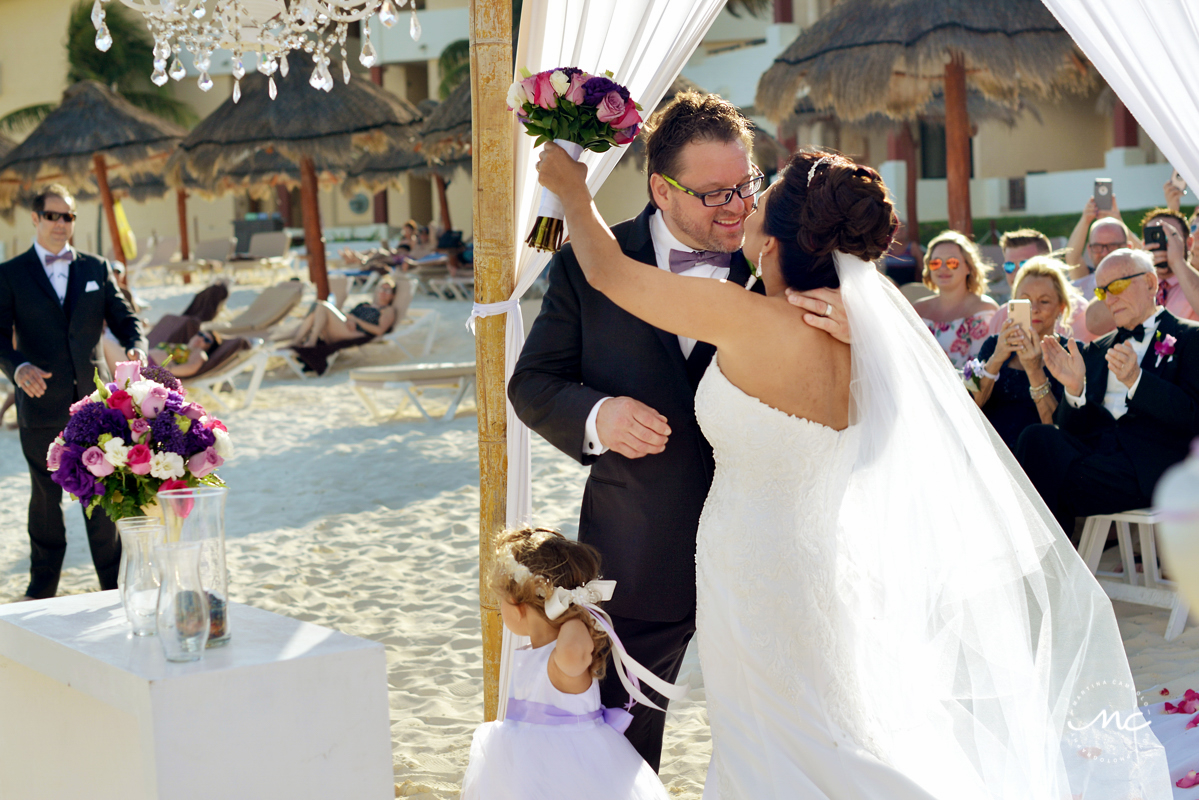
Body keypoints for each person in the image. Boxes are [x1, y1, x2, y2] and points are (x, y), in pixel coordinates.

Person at [536, 143, 1172, 799]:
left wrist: (570, 189)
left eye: (761, 198)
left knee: (778, 744)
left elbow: (609, 273)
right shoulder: (865, 343)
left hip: (752, 571)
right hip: (820, 566)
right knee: (826, 732)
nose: (746, 205)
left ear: (776, 242)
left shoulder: (748, 319)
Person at [508, 91, 846, 772]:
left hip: (764, 558)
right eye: (714, 193)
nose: (737, 208)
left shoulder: (787, 264)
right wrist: (598, 416)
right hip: (635, 554)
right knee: (617, 750)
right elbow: (532, 383)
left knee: (785, 743)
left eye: (745, 185)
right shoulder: (585, 261)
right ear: (661, 189)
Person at [0, 184, 147, 601]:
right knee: (46, 500)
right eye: (53, 216)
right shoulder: (9, 273)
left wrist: (137, 344)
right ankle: (41, 590)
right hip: (40, 403)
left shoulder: (96, 268)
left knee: (102, 498)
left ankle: (114, 587)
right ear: (35, 218)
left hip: (95, 407)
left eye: (68, 217)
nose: (61, 225)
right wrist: (17, 367)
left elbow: (125, 318)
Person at [461, 527, 672, 800]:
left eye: (501, 600)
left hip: (570, 767)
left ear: (517, 605)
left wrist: (574, 613)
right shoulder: (536, 652)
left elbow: (574, 652)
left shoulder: (563, 658)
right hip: (527, 763)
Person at [1017, 248, 1199, 535]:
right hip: (1097, 462)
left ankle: (1047, 566)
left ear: (1151, 283)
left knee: (1041, 477)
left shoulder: (1192, 338)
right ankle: (1052, 565)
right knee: (1036, 438)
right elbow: (1074, 432)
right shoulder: (1095, 349)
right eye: (1102, 292)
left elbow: (1193, 417)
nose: (1110, 299)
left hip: (1148, 470)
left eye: (1117, 286)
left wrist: (1138, 382)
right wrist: (1074, 391)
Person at [970, 257, 1072, 451]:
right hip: (991, 454)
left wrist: (1034, 371)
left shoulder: (1068, 354)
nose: (1034, 309)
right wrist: (996, 359)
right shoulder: (994, 345)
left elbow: (1058, 430)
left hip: (1039, 460)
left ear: (1061, 308)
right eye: (1025, 302)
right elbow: (971, 406)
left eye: (1044, 301)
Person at [912, 230, 998, 368]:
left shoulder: (985, 310)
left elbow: (984, 370)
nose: (943, 268)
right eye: (936, 263)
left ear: (969, 267)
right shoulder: (916, 310)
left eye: (952, 262)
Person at [290, 277, 398, 348]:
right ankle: (298, 341)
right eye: (382, 289)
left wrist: (357, 321)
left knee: (322, 305)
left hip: (355, 334)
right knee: (317, 307)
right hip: (344, 326)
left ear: (392, 295)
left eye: (388, 290)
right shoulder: (365, 304)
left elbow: (379, 331)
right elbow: (349, 315)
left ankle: (309, 341)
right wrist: (349, 320)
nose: (383, 292)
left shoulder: (388, 310)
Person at [1141, 207, 1199, 321]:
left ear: (1189, 243)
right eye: (1155, 237)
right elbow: (1097, 323)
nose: (1163, 243)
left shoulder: (1194, 282)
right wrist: (1141, 266)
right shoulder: (1137, 284)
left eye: (1171, 236)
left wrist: (1177, 262)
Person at [149, 330, 221, 378]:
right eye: (200, 334)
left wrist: (164, 370)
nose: (201, 338)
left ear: (209, 348)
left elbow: (191, 367)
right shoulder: (183, 347)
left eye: (206, 340)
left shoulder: (199, 353)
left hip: (151, 368)